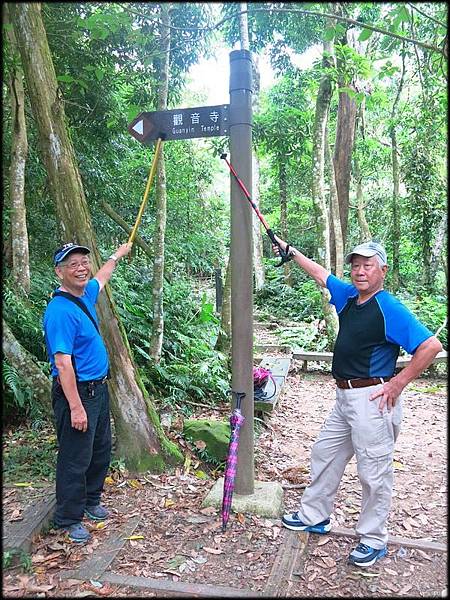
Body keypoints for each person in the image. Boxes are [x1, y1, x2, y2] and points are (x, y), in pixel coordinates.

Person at [273, 238, 442, 567]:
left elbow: (430, 346)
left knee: (373, 472)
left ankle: (373, 539)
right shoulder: (350, 297)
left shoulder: (389, 308)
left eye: (368, 265)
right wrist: (292, 253)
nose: (360, 271)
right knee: (325, 452)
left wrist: (398, 383)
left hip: (373, 400)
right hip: (344, 398)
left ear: (383, 270)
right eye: (355, 265)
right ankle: (314, 516)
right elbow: (322, 275)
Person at [44, 241, 132, 543]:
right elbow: (62, 362)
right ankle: (67, 518)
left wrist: (116, 254)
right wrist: (76, 407)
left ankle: (91, 501)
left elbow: (103, 276)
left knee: (99, 449)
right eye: (72, 264)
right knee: (75, 456)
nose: (81, 267)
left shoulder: (84, 295)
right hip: (77, 393)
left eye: (83, 261)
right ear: (59, 272)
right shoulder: (59, 311)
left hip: (98, 389)